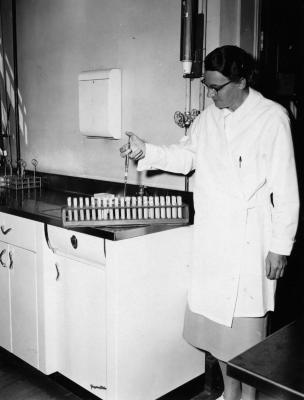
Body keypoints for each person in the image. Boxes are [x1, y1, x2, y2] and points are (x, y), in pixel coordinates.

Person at [120, 45, 299, 400]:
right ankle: (227, 395)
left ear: (242, 80)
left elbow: (286, 189)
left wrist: (280, 248)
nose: (211, 94)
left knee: (245, 341)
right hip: (211, 242)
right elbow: (186, 155)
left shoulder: (271, 118)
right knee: (215, 336)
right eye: (207, 87)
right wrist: (147, 150)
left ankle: (245, 397)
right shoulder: (208, 117)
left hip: (249, 246)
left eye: (217, 88)